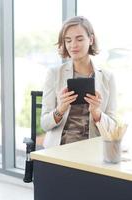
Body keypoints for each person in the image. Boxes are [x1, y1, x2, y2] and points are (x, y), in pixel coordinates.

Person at [41, 16, 117, 148]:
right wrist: (60, 109)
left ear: (91, 39)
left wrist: (97, 113)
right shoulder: (54, 74)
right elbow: (44, 124)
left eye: (79, 39)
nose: (73, 45)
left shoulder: (107, 78)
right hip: (59, 149)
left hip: (92, 150)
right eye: (68, 40)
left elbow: (113, 129)